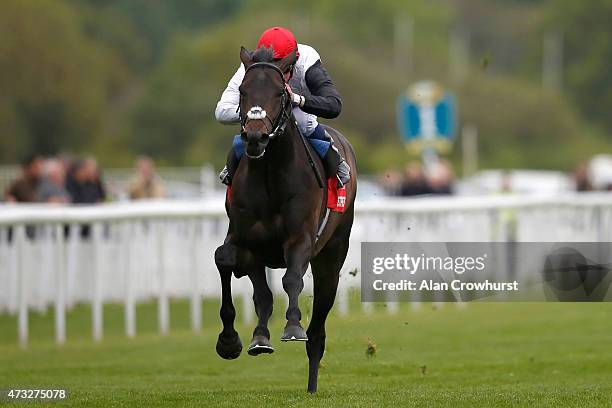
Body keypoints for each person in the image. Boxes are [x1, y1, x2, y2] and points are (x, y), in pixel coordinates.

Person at [215, 26, 350, 187]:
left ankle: (336, 162)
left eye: (283, 69)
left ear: (294, 63)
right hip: (264, 113)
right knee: (252, 130)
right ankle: (232, 171)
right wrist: (258, 113)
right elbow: (221, 112)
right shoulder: (250, 66)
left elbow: (334, 105)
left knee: (304, 124)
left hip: (298, 107)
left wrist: (297, 99)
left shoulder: (308, 61)